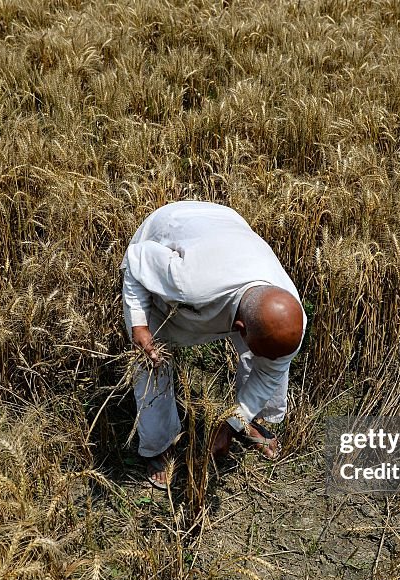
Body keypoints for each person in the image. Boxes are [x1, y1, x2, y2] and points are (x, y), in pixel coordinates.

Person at [120, 201, 307, 489]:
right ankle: (158, 445)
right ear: (239, 329)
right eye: (259, 350)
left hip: (227, 227)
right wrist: (140, 326)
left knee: (274, 367)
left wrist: (230, 426)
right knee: (151, 360)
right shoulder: (189, 283)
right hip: (172, 226)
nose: (267, 363)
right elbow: (136, 260)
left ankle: (248, 422)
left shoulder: (292, 318)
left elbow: (270, 374)